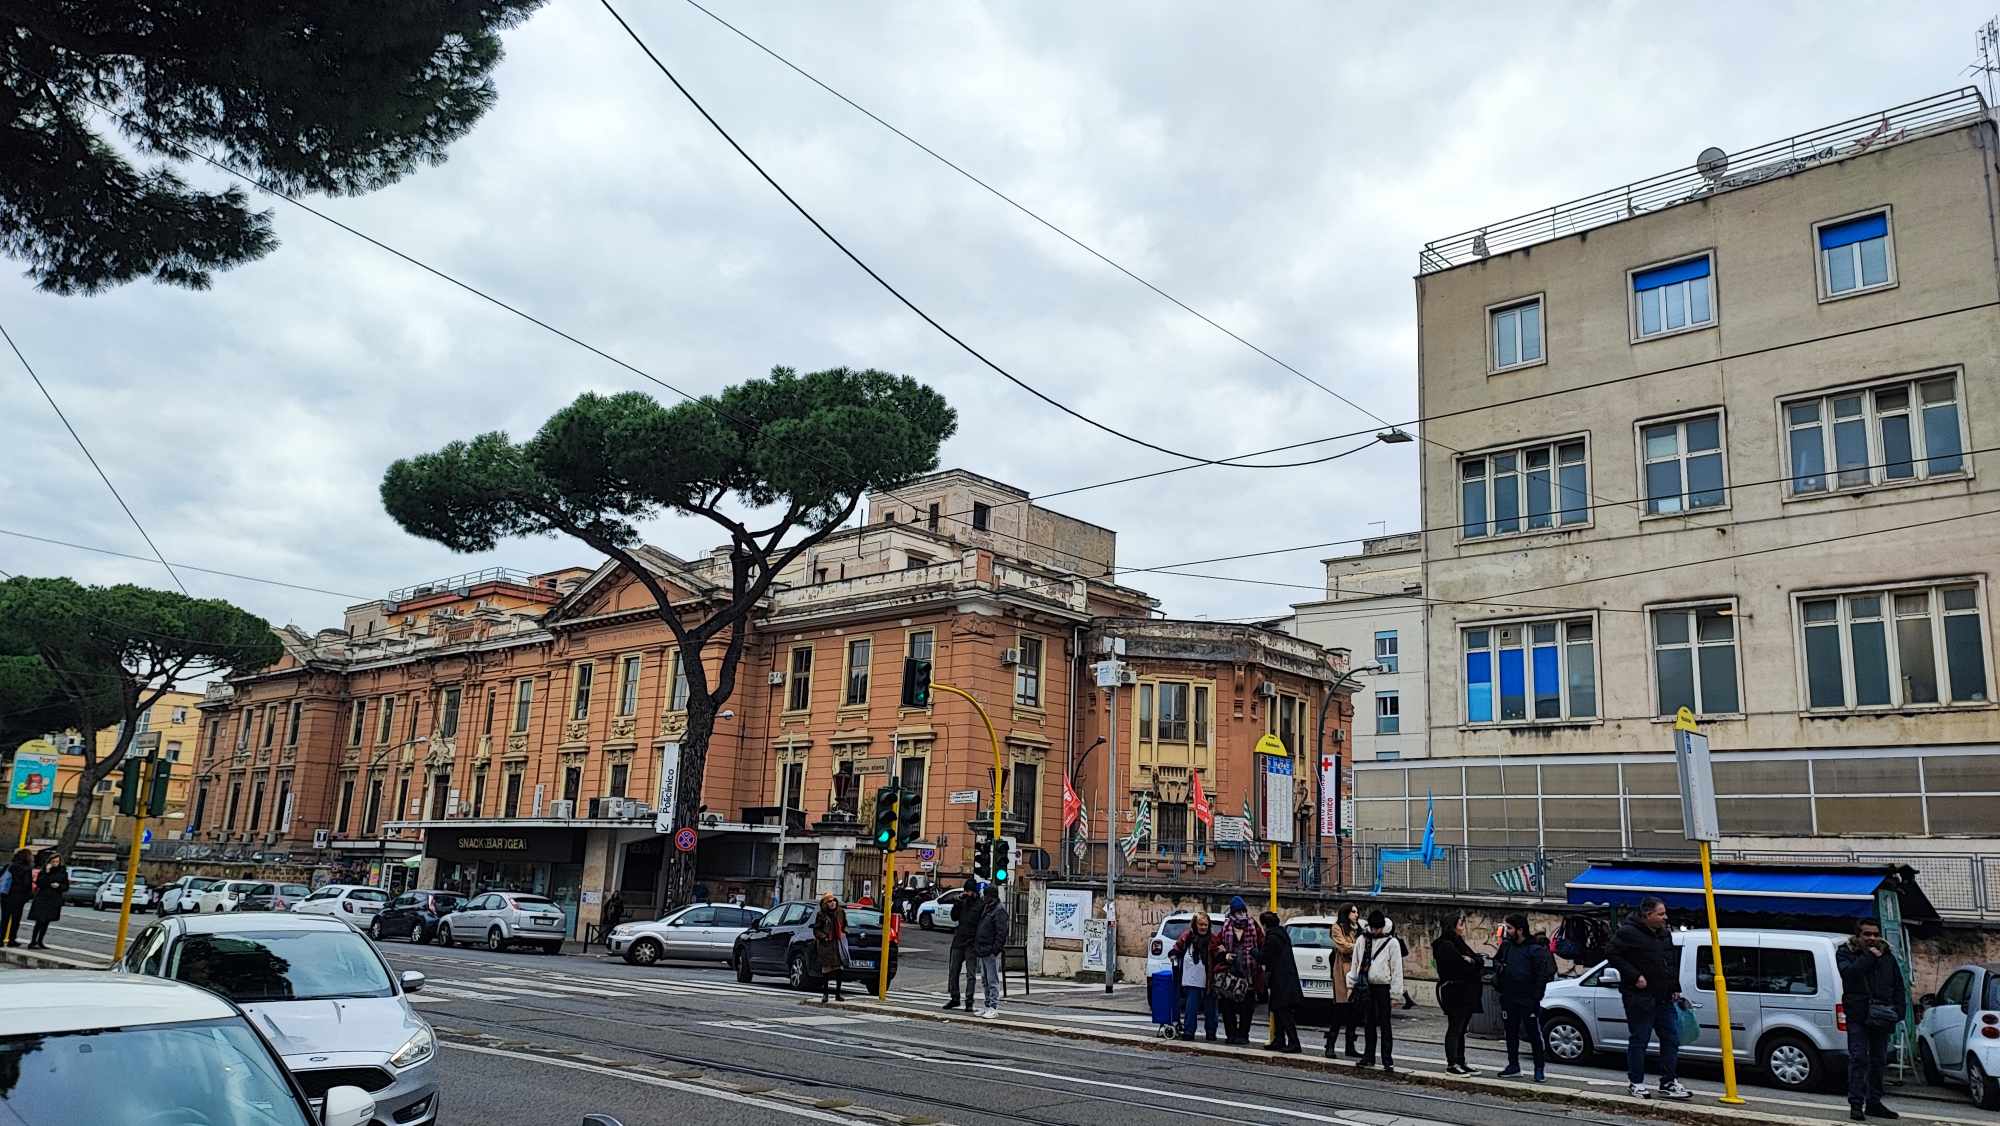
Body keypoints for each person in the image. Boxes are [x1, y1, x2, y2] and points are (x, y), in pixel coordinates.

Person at [1606, 896, 1691, 1100]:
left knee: (1671, 1039)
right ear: (1647, 915)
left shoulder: (1664, 934)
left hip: (1663, 996)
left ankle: (1668, 1081)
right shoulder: (1628, 932)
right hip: (1639, 997)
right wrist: (1634, 976)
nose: (1665, 917)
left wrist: (1674, 986)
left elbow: (1669, 961)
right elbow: (1612, 953)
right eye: (1660, 914)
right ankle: (1636, 1082)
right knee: (1640, 1039)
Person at [1836, 917, 1905, 1122]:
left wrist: (1900, 1010)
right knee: (1859, 1059)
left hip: (1882, 1015)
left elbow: (1898, 984)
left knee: (1879, 1060)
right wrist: (1870, 957)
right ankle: (1856, 1104)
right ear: (1858, 935)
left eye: (1875, 934)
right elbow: (1849, 973)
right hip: (1858, 1015)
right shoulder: (1845, 952)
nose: (1872, 938)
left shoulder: (1888, 956)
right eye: (1867, 934)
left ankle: (1874, 1103)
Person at [1491, 912, 1554, 1081]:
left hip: (1528, 998)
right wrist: (1500, 969)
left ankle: (1539, 1069)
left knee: (1533, 1034)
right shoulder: (1506, 946)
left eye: (1510, 928)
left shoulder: (1535, 949)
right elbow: (1496, 962)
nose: (1507, 931)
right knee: (1510, 1033)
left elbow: (1542, 975)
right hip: (1509, 996)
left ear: (1519, 930)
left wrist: (1536, 997)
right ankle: (1513, 1065)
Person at [1348, 909, 1403, 1072]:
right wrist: (1351, 984)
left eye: (1377, 928)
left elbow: (1397, 969)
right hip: (1366, 985)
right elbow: (1355, 963)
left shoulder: (1392, 943)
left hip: (1383, 987)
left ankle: (1387, 1059)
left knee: (1385, 1024)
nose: (1374, 931)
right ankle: (1368, 1056)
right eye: (1372, 928)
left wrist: (1395, 994)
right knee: (1368, 1023)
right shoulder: (1362, 940)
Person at [1432, 913, 1485, 1075]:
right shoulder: (1445, 945)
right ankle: (1452, 1063)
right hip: (1455, 992)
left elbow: (1476, 961)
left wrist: (1472, 961)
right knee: (1455, 1027)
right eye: (1461, 924)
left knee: (1461, 1029)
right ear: (1453, 925)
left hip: (1466, 991)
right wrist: (1471, 962)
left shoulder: (1458, 943)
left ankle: (1461, 1060)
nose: (1464, 927)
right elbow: (1461, 967)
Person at [1214, 896, 1265, 1045]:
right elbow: (1216, 945)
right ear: (1232, 912)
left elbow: (1262, 943)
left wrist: (1257, 957)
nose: (1241, 914)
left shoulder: (1253, 925)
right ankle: (1231, 1034)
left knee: (1247, 1008)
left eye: (1243, 911)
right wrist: (1225, 955)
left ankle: (1243, 1035)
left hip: (1249, 974)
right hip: (1230, 975)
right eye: (1238, 911)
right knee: (1228, 1007)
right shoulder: (1226, 926)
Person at [1171, 911, 1220, 1041]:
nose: (1203, 927)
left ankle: (1211, 1033)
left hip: (1209, 980)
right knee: (1190, 1008)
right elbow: (1177, 947)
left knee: (1211, 1008)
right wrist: (1173, 953)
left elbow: (1218, 954)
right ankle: (1188, 1032)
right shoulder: (1187, 936)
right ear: (1195, 925)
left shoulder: (1213, 939)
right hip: (1191, 979)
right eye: (1200, 924)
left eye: (1206, 924)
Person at [1261, 911, 1304, 1053]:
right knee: (1279, 1011)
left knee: (1284, 1012)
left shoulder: (1272, 938)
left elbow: (1265, 957)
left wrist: (1254, 952)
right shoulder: (1282, 934)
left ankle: (1294, 1042)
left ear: (1265, 925)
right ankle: (1279, 1040)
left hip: (1281, 980)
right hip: (1284, 978)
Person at [1324, 903, 1362, 1059]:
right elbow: (1343, 947)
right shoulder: (1337, 927)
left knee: (1354, 1011)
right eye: (1353, 912)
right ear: (1346, 913)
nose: (1356, 914)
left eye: (1357, 912)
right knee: (1340, 1009)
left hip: (1356, 971)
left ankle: (1350, 1045)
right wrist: (1360, 946)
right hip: (1342, 971)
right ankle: (1330, 1045)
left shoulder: (1359, 928)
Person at [943, 877, 985, 1011]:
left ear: (975, 892)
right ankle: (954, 998)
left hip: (971, 943)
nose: (967, 893)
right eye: (966, 891)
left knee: (970, 974)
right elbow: (953, 916)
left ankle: (969, 1001)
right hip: (959, 940)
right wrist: (958, 901)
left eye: (969, 891)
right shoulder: (962, 902)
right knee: (953, 970)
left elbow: (982, 924)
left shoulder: (980, 905)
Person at [972, 883, 1009, 1018]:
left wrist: (995, 949)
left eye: (985, 895)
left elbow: (1002, 932)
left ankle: (993, 1006)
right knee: (985, 979)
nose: (984, 897)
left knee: (992, 980)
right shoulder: (987, 908)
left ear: (990, 896)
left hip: (990, 950)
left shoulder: (998, 910)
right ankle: (987, 1005)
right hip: (983, 948)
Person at [25, 852, 69, 950]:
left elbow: (66, 886)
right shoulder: (44, 871)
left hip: (54, 899)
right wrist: (47, 872)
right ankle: (33, 942)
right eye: (53, 861)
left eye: (57, 861)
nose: (55, 863)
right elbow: (39, 883)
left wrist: (59, 886)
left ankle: (40, 941)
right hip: (42, 898)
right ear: (49, 862)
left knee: (46, 921)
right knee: (39, 921)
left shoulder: (63, 872)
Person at [812, 892, 847, 1003]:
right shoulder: (821, 914)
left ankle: (838, 994)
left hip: (838, 944)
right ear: (825, 904)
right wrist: (823, 937)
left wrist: (844, 932)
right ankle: (825, 994)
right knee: (826, 971)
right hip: (826, 945)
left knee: (839, 970)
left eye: (834, 901)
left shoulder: (840, 912)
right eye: (829, 901)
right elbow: (816, 929)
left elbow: (845, 924)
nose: (832, 903)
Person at [0, 849, 32, 948]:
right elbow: (27, 884)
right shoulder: (26, 868)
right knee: (15, 920)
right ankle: (11, 940)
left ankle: (0, 940)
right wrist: (27, 896)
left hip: (6, 895)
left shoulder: (8, 866)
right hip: (18, 897)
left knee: (4, 919)